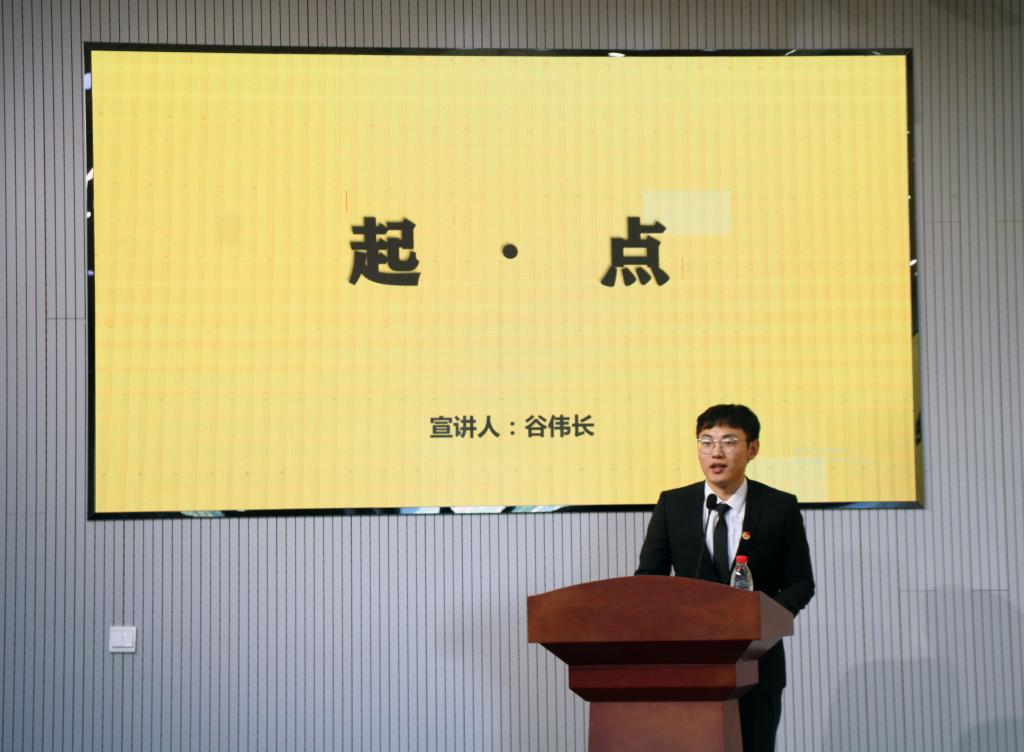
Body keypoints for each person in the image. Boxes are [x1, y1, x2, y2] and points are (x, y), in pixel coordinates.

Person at [635, 404, 815, 752]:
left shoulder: (778, 506)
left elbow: (800, 582)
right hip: (691, 664)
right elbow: (648, 580)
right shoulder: (673, 505)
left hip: (757, 664)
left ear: (753, 449)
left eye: (729, 441)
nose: (715, 452)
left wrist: (763, 620)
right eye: (706, 442)